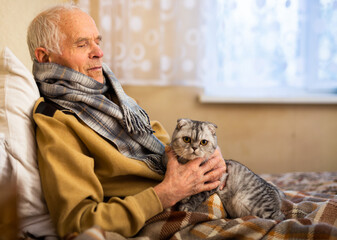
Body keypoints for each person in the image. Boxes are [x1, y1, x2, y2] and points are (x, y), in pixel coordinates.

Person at [27, 4, 227, 238]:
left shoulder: (109, 96)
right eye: (82, 44)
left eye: (97, 42)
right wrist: (166, 193)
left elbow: (160, 142)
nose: (98, 52)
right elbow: (79, 222)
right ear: (45, 57)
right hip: (162, 213)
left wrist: (207, 158)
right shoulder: (57, 121)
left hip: (192, 195)